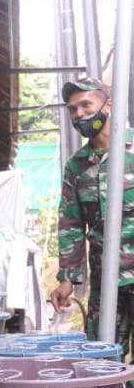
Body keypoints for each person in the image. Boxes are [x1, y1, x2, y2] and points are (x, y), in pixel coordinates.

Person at [49, 74, 134, 359]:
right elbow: (70, 223)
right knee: (102, 360)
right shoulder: (77, 166)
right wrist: (67, 278)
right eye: (73, 109)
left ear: (108, 106)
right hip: (105, 281)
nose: (80, 114)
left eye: (86, 104)